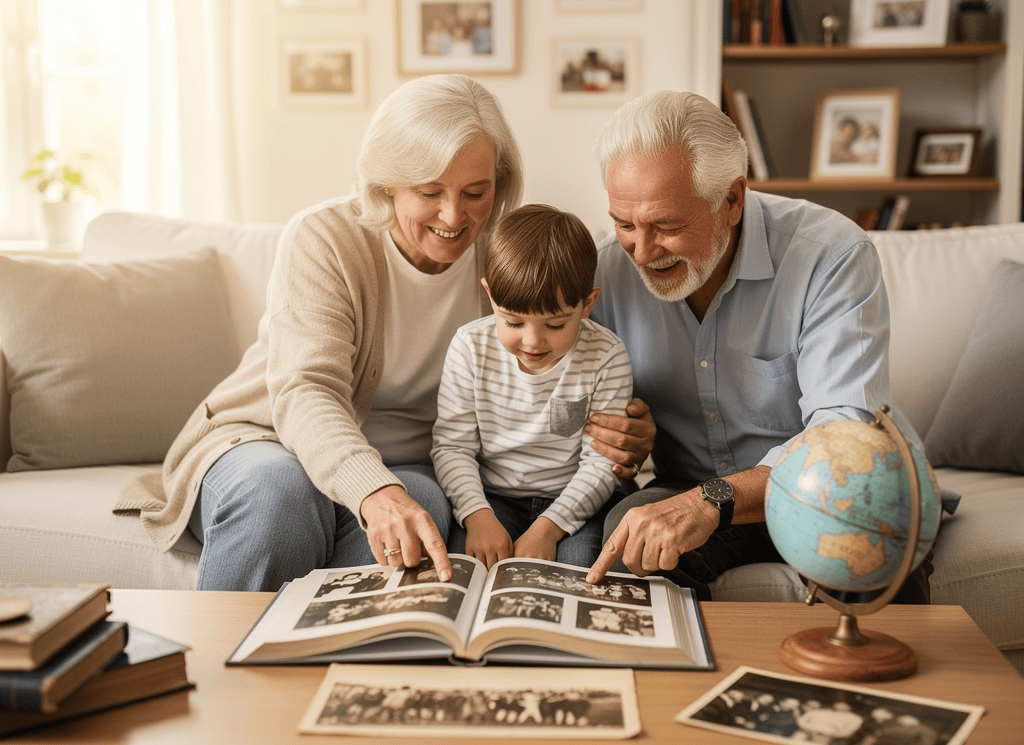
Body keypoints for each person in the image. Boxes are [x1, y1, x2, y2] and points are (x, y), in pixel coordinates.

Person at [116, 74, 650, 593]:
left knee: (428, 510)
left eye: (475, 192)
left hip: (412, 465)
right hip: (270, 439)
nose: (453, 215)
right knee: (279, 493)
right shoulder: (326, 238)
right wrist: (373, 491)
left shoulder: (506, 256)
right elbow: (306, 391)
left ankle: (342, 662)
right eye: (429, 191)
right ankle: (225, 669)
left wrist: (626, 432)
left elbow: (570, 369)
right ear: (387, 183)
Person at [585, 90, 932, 604]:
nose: (641, 249)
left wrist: (715, 498)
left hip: (826, 490)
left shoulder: (830, 254)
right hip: (687, 486)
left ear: (732, 200)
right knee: (625, 539)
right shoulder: (606, 271)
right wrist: (620, 438)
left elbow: (842, 434)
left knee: (866, 529)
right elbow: (569, 394)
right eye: (624, 223)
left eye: (667, 226)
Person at [433, 204, 634, 568]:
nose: (532, 341)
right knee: (472, 565)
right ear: (490, 295)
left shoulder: (606, 355)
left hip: (577, 499)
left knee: (579, 571)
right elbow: (453, 448)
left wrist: (549, 529)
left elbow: (600, 463)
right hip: (492, 499)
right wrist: (478, 516)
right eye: (512, 322)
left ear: (587, 305)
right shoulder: (469, 347)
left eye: (555, 325)